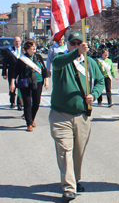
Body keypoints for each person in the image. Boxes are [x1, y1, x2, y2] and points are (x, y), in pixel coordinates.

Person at [49, 31, 104, 201]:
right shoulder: (62, 59)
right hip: (61, 115)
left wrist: (94, 95)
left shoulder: (90, 63)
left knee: (78, 152)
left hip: (82, 116)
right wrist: (76, 52)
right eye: (73, 43)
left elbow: (101, 81)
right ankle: (69, 187)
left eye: (79, 43)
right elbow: (57, 62)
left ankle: (75, 179)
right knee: (65, 151)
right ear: (68, 44)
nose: (76, 45)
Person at [10, 40, 48, 131]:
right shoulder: (22, 59)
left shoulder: (38, 57)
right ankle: (29, 123)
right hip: (25, 82)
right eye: (32, 46)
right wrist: (12, 83)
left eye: (35, 46)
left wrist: (46, 80)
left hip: (38, 81)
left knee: (36, 102)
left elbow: (44, 69)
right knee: (27, 103)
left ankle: (32, 118)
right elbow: (15, 72)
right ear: (27, 48)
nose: (34, 48)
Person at [2, 36, 23, 110]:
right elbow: (5, 63)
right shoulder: (9, 51)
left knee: (21, 88)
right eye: (16, 41)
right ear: (13, 42)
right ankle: (12, 102)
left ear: (21, 42)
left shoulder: (24, 50)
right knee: (12, 88)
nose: (18, 43)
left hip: (22, 72)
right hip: (12, 72)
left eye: (19, 41)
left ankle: (20, 103)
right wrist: (4, 73)